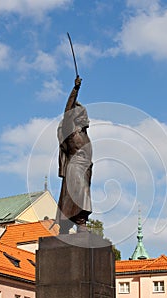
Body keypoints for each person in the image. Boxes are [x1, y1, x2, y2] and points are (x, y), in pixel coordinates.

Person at [56, 76, 92, 234]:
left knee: (74, 195)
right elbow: (68, 111)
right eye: (83, 115)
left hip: (86, 167)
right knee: (79, 193)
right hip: (75, 166)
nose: (86, 118)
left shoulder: (84, 133)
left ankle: (67, 224)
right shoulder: (70, 130)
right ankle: (80, 222)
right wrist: (75, 90)